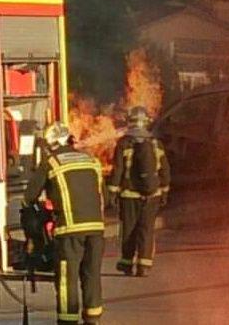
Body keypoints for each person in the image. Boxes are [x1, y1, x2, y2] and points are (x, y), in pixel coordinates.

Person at [25, 123, 106, 325]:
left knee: (66, 279)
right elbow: (101, 194)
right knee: (91, 274)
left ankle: (68, 320)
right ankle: (93, 318)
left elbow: (29, 197)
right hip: (96, 228)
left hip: (69, 230)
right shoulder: (92, 161)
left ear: (52, 144)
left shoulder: (51, 163)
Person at [107, 106, 171, 277]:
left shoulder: (124, 143)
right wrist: (164, 191)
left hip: (129, 194)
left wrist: (111, 192)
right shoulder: (156, 143)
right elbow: (164, 170)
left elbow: (118, 170)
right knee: (146, 229)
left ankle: (127, 263)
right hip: (152, 195)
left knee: (129, 229)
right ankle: (144, 266)